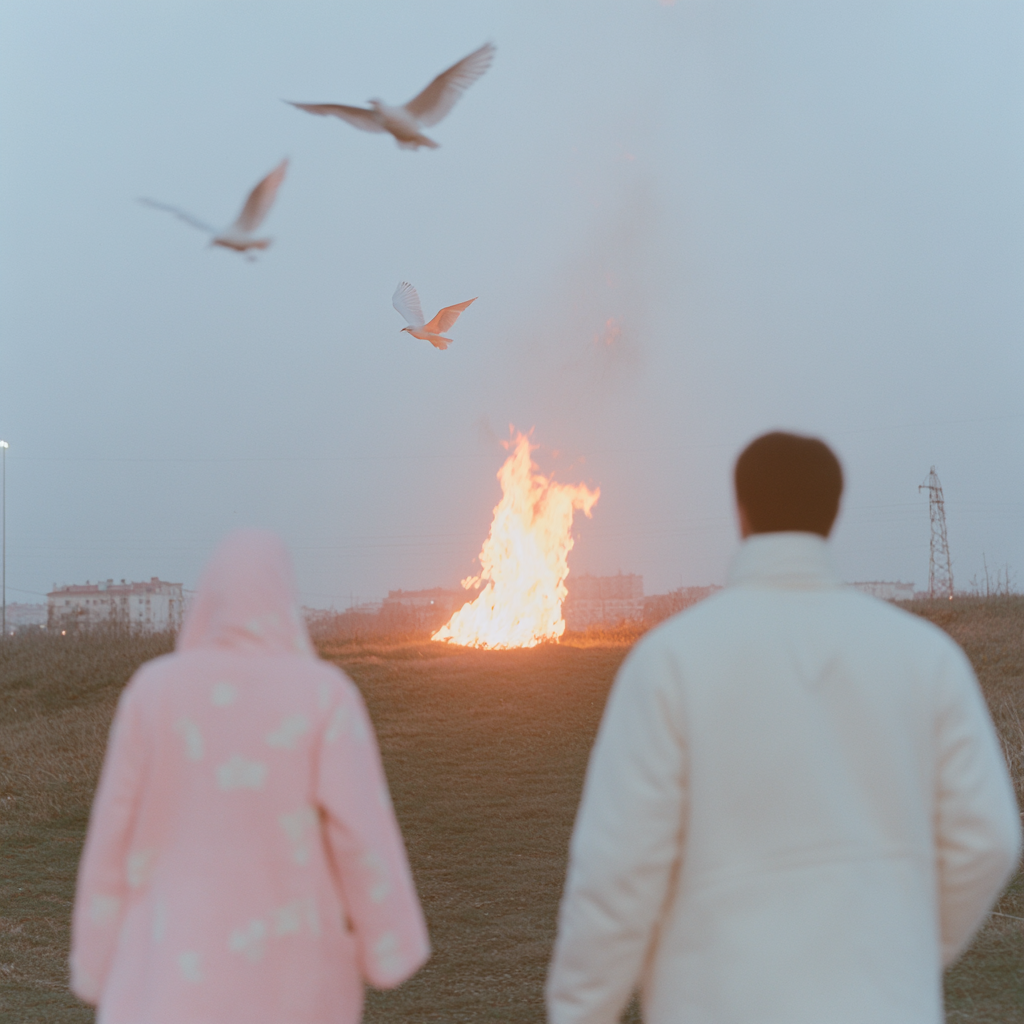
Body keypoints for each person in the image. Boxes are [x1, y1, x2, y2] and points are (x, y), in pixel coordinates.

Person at [546, 432, 1021, 1024]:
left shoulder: (669, 660)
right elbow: (990, 838)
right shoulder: (927, 657)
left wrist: (579, 1011)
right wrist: (910, 953)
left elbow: (617, 871)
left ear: (740, 512)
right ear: (834, 513)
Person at [71, 530, 429, 1023]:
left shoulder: (153, 692)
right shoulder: (324, 696)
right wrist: (391, 946)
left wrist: (94, 960)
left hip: (168, 971)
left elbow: (112, 830)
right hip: (291, 976)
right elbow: (362, 830)